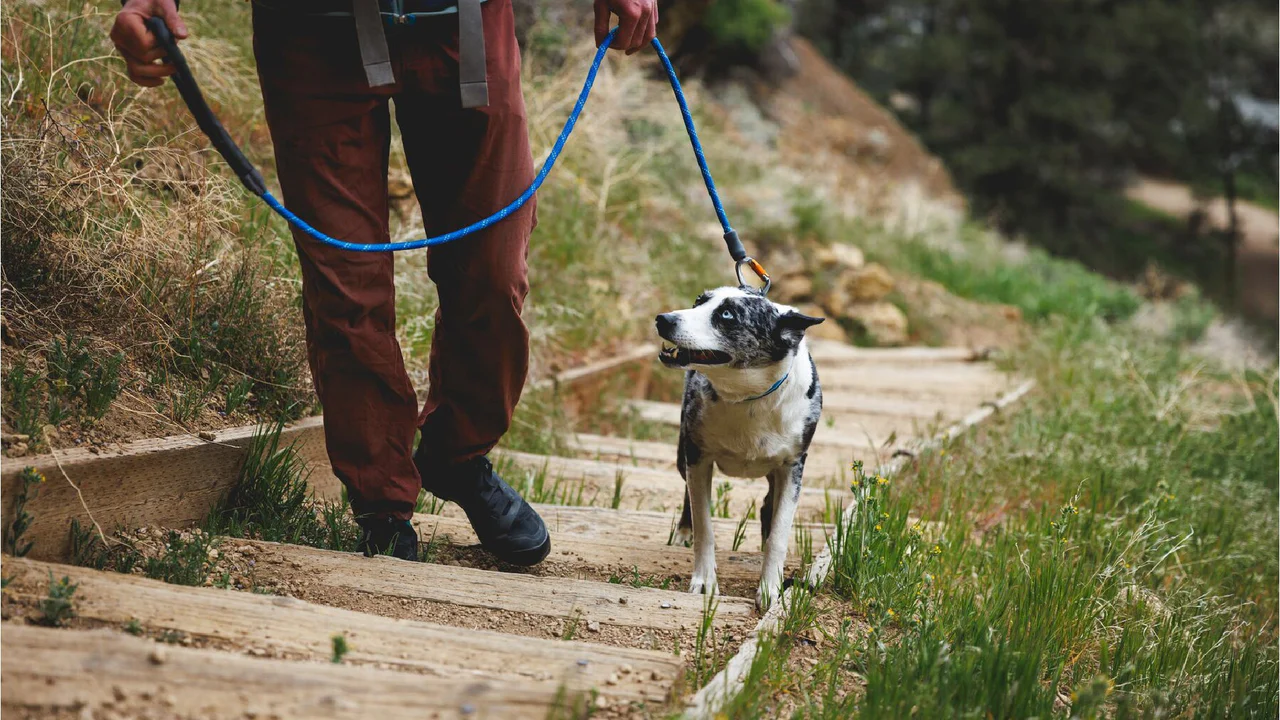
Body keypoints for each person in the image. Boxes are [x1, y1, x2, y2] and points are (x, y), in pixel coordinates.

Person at [110, 0, 659, 565]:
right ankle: (381, 503)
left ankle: (456, 457)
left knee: (493, 270)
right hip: (311, 33)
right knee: (346, 287)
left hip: (463, 21)